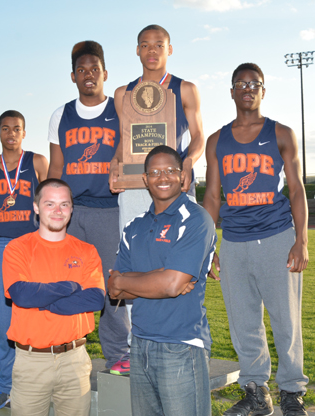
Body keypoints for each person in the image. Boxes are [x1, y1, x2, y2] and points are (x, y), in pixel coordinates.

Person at [202, 63, 309, 416]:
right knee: (244, 321)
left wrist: (302, 240)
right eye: (241, 84)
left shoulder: (282, 133)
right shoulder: (218, 140)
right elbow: (213, 197)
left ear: (264, 90)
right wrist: (208, 246)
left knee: (286, 321)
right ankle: (256, 391)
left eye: (255, 83)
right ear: (231, 91)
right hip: (234, 241)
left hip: (277, 237)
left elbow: (296, 190)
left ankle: (292, 391)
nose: (248, 88)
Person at [107, 24, 205, 374]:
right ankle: (138, 347)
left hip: (172, 185)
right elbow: (123, 139)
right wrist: (116, 163)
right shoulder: (122, 93)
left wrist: (189, 162)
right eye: (145, 45)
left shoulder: (185, 89)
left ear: (170, 49)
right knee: (135, 265)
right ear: (137, 50)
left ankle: (184, 339)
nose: (152, 51)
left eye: (159, 45)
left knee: (178, 265)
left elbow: (197, 137)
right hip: (135, 188)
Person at [108, 145, 216, 416]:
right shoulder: (134, 226)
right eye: (155, 172)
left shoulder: (196, 219)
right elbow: (113, 290)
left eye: (170, 170)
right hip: (140, 343)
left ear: (182, 176)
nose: (163, 177)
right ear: (145, 179)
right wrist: (161, 278)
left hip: (181, 343)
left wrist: (129, 281)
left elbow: (171, 285)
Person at [47, 40, 130, 370]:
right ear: (73, 76)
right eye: (81, 70)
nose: (88, 75)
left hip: (110, 210)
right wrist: (52, 214)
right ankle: (65, 352)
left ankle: (119, 356)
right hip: (73, 212)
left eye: (94, 69)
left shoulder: (119, 110)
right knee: (70, 285)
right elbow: (56, 168)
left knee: (113, 286)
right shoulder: (61, 114)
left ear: (105, 73)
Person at [2, 178, 105, 416]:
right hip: (31, 362)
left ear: (71, 208)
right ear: (36, 207)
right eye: (50, 204)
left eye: (64, 204)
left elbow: (95, 300)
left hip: (75, 360)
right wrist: (71, 285)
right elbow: (22, 294)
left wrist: (43, 302)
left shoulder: (87, 251)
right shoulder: (17, 248)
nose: (58, 211)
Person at [0, 110, 48, 410]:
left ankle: (42, 381)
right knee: (6, 323)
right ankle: (5, 385)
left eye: (16, 129)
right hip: (2, 248)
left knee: (40, 317)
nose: (11, 133)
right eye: (5, 129)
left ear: (23, 133)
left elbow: (51, 203)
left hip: (32, 246)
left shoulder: (37, 162)